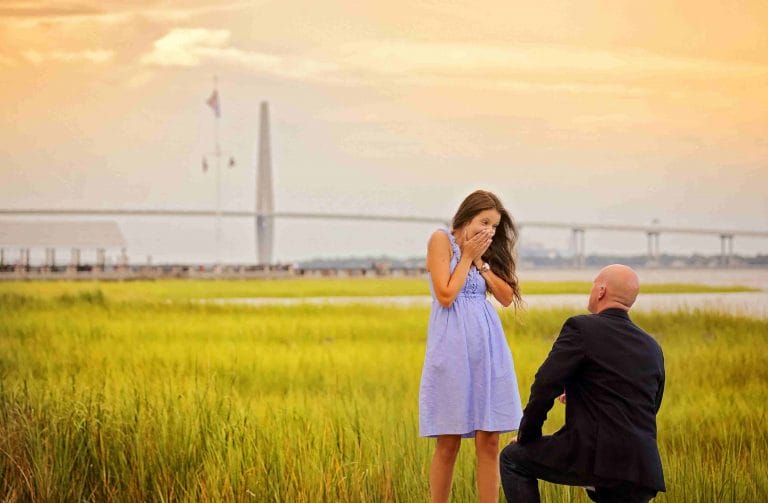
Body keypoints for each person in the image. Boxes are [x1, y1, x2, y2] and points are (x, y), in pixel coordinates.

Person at [500, 265, 666, 503]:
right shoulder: (652, 346)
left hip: (594, 456)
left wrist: (528, 436)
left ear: (601, 290)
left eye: (592, 284)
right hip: (641, 465)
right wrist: (581, 391)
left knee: (513, 458)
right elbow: (649, 404)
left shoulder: (581, 327)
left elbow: (545, 385)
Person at [419, 190, 524, 503]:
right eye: (484, 221)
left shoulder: (486, 252)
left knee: (489, 440)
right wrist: (465, 257)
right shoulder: (441, 240)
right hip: (452, 347)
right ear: (467, 216)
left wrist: (482, 262)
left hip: (488, 347)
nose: (489, 230)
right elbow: (446, 294)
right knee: (448, 440)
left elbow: (506, 297)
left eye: (494, 225)